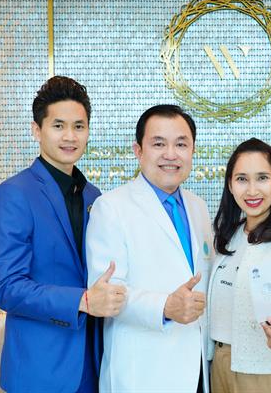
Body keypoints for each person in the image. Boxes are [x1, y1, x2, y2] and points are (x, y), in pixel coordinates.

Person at [0, 76, 126, 393]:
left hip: (94, 364)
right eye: (58, 126)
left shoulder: (95, 197)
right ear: (37, 130)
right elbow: (7, 288)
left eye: (79, 126)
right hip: (41, 370)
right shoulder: (13, 194)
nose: (70, 136)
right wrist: (82, 300)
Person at [85, 104, 214, 393]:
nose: (171, 154)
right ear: (138, 150)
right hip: (143, 372)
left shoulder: (199, 207)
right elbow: (107, 293)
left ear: (193, 150)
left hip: (197, 370)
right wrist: (165, 307)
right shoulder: (111, 208)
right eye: (158, 144)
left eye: (181, 144)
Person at [208, 138, 271, 393]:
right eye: (242, 179)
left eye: (262, 178)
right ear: (230, 185)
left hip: (270, 374)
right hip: (221, 366)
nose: (252, 190)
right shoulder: (227, 236)